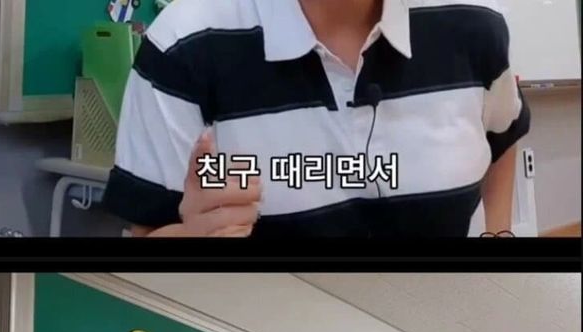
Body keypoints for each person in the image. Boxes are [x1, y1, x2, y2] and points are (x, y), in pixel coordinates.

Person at [103, 0, 530, 238]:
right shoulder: (183, 42)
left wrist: (499, 232)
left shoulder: (474, 22)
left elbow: (503, 131)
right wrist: (195, 236)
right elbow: (148, 230)